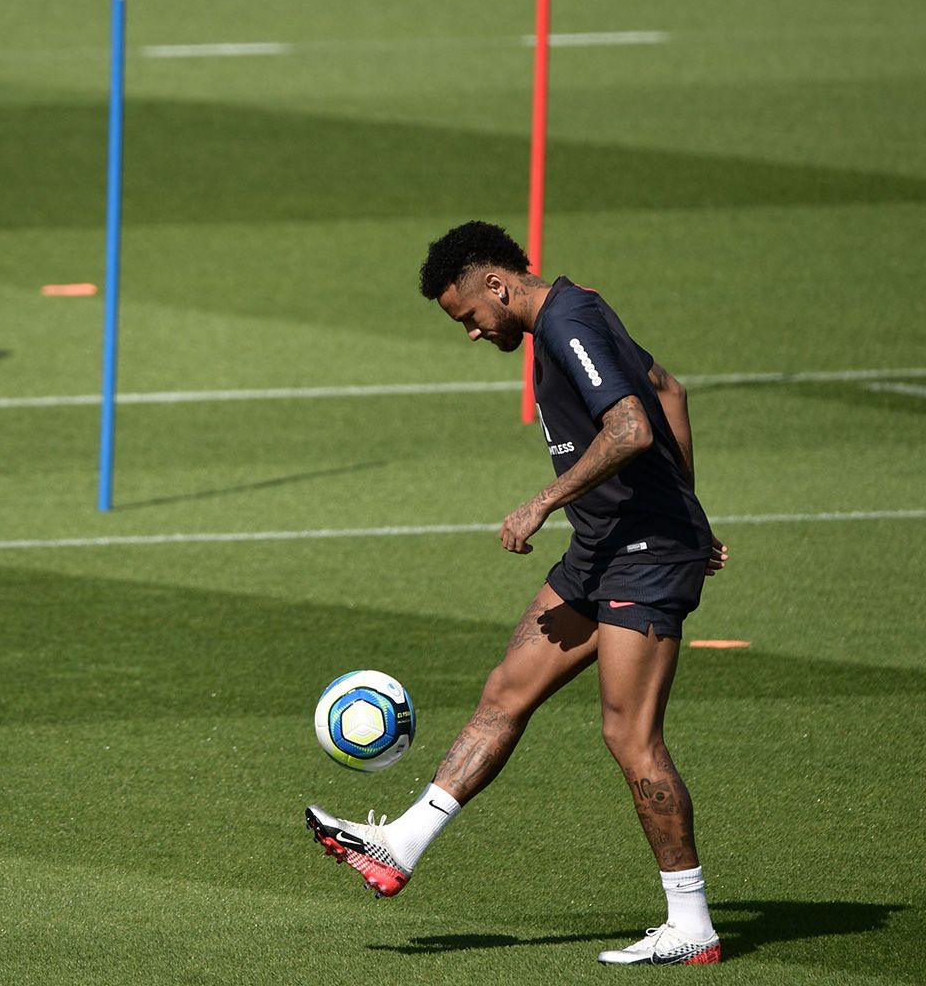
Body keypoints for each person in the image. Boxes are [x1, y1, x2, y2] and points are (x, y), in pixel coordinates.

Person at [305, 220, 730, 967]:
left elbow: (631, 427)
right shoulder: (571, 315)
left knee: (630, 737)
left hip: (640, 557)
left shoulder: (567, 321)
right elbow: (670, 389)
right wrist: (686, 508)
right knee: (505, 691)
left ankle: (690, 920)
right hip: (603, 549)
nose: (472, 332)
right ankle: (400, 845)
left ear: (498, 285)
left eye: (470, 316)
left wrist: (546, 503)